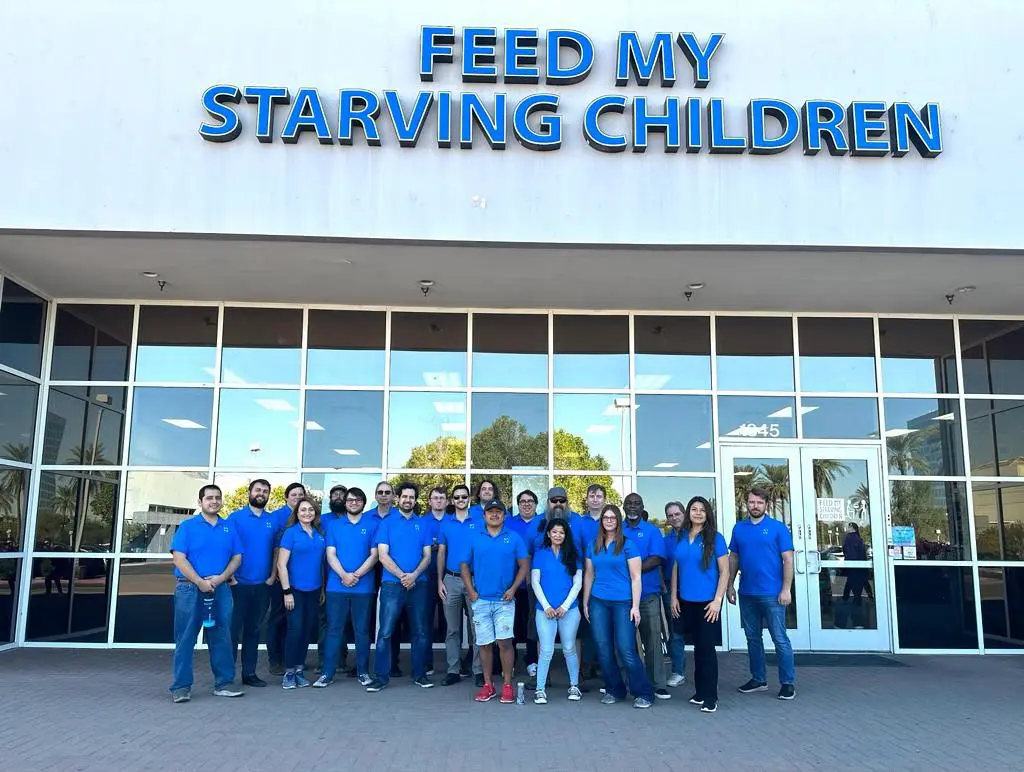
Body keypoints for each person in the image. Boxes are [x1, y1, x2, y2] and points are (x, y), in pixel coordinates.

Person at [168, 483, 244, 702]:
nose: (214, 501)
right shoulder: (188, 526)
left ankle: (224, 683)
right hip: (190, 590)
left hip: (219, 591)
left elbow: (237, 558)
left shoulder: (228, 527)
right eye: (209, 497)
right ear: (200, 502)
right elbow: (179, 558)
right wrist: (199, 581)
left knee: (221, 636)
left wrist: (220, 579)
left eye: (217, 497)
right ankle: (181, 687)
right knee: (186, 638)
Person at [726, 486, 797, 700]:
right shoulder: (739, 529)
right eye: (751, 502)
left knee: (779, 638)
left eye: (759, 502)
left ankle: (787, 682)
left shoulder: (778, 528)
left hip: (773, 594)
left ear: (766, 504)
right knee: (752, 638)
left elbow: (788, 559)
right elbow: (734, 558)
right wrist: (730, 585)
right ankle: (758, 679)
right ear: (746, 503)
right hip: (747, 592)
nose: (754, 506)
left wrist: (786, 588)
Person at [583, 504, 654, 709]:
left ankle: (644, 692)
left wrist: (635, 606)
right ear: (601, 521)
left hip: (623, 602)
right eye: (606, 517)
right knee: (604, 649)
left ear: (619, 521)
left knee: (626, 649)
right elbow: (589, 575)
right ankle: (615, 689)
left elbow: (636, 577)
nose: (609, 520)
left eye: (613, 517)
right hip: (598, 602)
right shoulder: (593, 545)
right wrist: (586, 602)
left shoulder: (628, 545)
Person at [366, 482, 434, 691]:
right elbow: (382, 555)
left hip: (419, 585)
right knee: (385, 632)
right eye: (404, 496)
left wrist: (413, 575)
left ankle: (419, 674)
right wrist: (402, 576)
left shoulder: (422, 524)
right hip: (391, 585)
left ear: (415, 500)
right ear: (398, 498)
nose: (407, 500)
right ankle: (381, 677)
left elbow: (427, 556)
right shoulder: (386, 523)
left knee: (420, 632)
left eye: (411, 497)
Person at [461, 499, 530, 703]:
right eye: (490, 511)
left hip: (504, 601)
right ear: (484, 515)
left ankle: (507, 685)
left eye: (498, 512)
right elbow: (464, 565)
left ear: (504, 515)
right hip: (481, 600)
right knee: (484, 644)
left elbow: (524, 565)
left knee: (505, 642)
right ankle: (488, 685)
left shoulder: (514, 537)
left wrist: (513, 588)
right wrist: (471, 591)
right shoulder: (475, 537)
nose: (494, 514)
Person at [670, 496, 729, 713]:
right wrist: (674, 597)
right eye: (693, 509)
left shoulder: (716, 538)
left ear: (707, 514)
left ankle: (711, 697)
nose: (697, 513)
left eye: (702, 510)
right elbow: (677, 566)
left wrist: (718, 600)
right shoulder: (683, 537)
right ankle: (700, 692)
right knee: (695, 648)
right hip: (686, 602)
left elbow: (725, 571)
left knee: (707, 649)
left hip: (708, 604)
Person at [316, 487, 378, 688]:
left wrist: (356, 575)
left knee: (362, 632)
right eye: (350, 500)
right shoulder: (334, 525)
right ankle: (327, 673)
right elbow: (330, 554)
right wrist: (344, 575)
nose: (353, 503)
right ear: (346, 502)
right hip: (337, 586)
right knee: (334, 630)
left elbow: (374, 555)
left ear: (363, 503)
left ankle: (362, 672)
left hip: (363, 587)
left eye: (358, 500)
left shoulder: (372, 524)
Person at [226, 478, 277, 687]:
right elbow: (226, 547)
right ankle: (226, 676)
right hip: (238, 585)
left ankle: (249, 673)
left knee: (253, 631)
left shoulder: (272, 520)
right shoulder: (235, 518)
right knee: (232, 632)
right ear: (249, 492)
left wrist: (272, 576)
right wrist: (230, 576)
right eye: (258, 490)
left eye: (265, 491)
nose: (261, 493)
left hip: (262, 585)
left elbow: (276, 551)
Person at [622, 492, 669, 700]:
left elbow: (657, 558)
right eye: (629, 503)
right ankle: (628, 683)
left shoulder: (652, 531)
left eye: (637, 503)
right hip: (621, 597)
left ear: (642, 507)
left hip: (647, 594)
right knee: (624, 642)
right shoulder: (615, 529)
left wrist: (633, 571)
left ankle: (657, 683)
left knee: (652, 641)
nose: (633, 506)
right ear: (623, 507)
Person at [276, 496, 327, 689]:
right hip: (295, 590)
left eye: (310, 510)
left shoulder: (319, 534)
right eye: (303, 510)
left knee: (306, 631)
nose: (307, 513)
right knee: (295, 630)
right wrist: (287, 592)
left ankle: (299, 670)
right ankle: (288, 672)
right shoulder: (290, 533)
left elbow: (321, 565)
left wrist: (322, 589)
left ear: (315, 513)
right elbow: (281, 564)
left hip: (313, 591)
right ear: (297, 513)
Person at [531, 518, 584, 703]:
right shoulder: (540, 553)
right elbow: (535, 582)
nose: (558, 535)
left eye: (561, 532)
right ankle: (539, 689)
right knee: (546, 650)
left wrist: (564, 606)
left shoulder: (574, 555)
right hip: (544, 610)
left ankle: (574, 686)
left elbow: (578, 584)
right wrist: (546, 606)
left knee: (569, 648)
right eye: (554, 532)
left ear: (566, 534)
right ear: (548, 534)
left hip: (569, 610)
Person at [438, 483, 482, 686]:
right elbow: (441, 553)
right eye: (456, 497)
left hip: (474, 580)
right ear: (452, 501)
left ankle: (479, 670)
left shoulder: (480, 521)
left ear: (469, 499)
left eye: (464, 497)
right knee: (452, 629)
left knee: (477, 628)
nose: (460, 500)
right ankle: (453, 670)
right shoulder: (446, 523)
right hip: (452, 580)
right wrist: (440, 580)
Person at [265, 482, 305, 676]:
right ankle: (275, 660)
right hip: (281, 579)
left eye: (301, 494)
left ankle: (292, 658)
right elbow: (274, 550)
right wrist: (274, 575)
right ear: (286, 497)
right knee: (278, 618)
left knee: (295, 621)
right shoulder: (277, 518)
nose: (297, 497)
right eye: (294, 494)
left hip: (301, 580)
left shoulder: (307, 517)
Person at [507, 489, 542, 678]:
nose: (526, 504)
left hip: (534, 584)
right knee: (511, 623)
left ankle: (532, 660)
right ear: (518, 504)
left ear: (536, 504)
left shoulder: (542, 523)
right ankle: (510, 662)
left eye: (530, 501)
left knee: (532, 623)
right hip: (512, 582)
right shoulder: (509, 523)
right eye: (522, 501)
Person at [423, 487, 449, 667]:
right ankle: (427, 662)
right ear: (430, 501)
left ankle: (452, 664)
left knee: (450, 623)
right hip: (427, 577)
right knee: (426, 620)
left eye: (441, 498)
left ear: (447, 502)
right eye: (435, 498)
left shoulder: (454, 521)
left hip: (451, 577)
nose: (438, 501)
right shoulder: (422, 522)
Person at [662, 500, 687, 688]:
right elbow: (661, 566)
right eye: (670, 515)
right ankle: (678, 671)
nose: (674, 518)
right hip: (672, 591)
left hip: (695, 589)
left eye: (677, 514)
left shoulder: (696, 536)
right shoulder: (665, 541)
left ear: (684, 514)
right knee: (675, 632)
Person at [841, 523, 869, 628]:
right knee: (857, 594)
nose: (847, 529)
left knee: (849, 591)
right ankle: (857, 622)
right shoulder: (858, 539)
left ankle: (843, 622)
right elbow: (862, 554)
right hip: (858, 569)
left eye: (848, 527)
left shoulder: (847, 539)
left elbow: (846, 552)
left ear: (852, 528)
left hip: (850, 568)